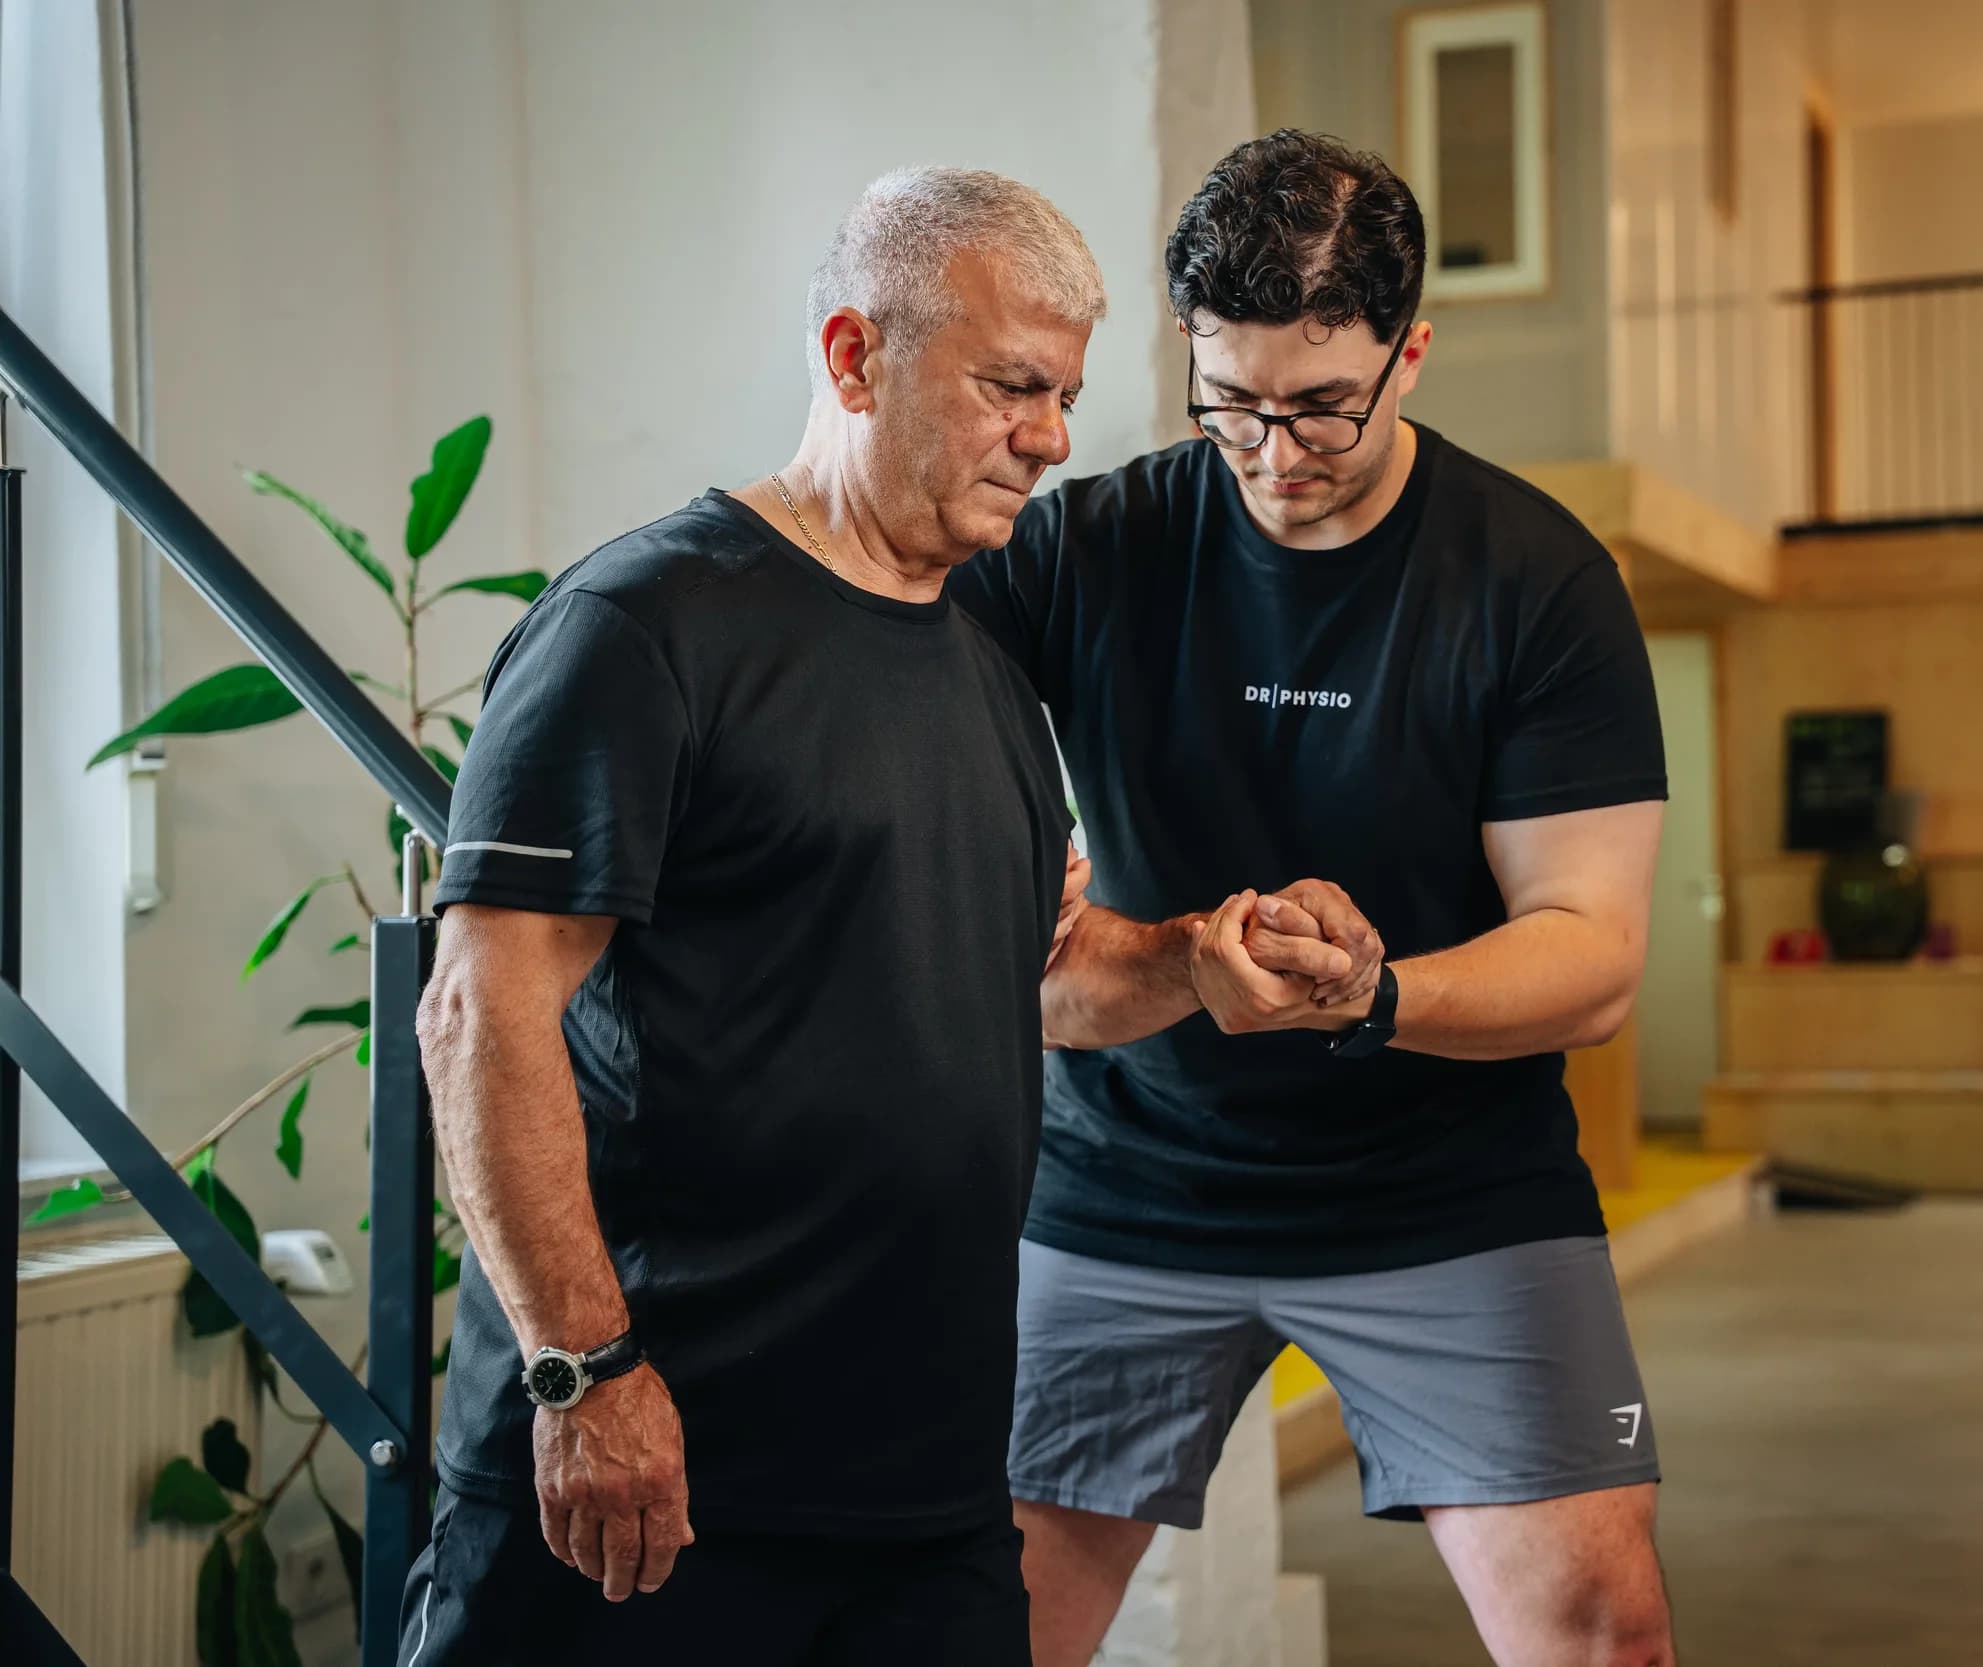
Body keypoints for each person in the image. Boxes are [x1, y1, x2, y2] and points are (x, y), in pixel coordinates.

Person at [953, 130, 1680, 1667]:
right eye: (1234, 405)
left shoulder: (1536, 584)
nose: (1278, 454)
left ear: (1409, 352)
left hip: (1451, 1188)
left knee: (1602, 1631)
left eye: (1324, 407)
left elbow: (1594, 955)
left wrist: (1379, 993)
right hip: (1124, 1181)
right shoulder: (1091, 546)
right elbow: (873, 650)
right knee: (972, 1624)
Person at [400, 167, 1100, 1665]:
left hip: (925, 1501)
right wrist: (588, 1376)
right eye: (1011, 387)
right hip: (656, 1488)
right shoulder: (644, 628)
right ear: (854, 356)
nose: (1049, 437)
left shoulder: (986, 670)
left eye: (1064, 396)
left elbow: (1013, 988)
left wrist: (1203, 962)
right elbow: (480, 1012)